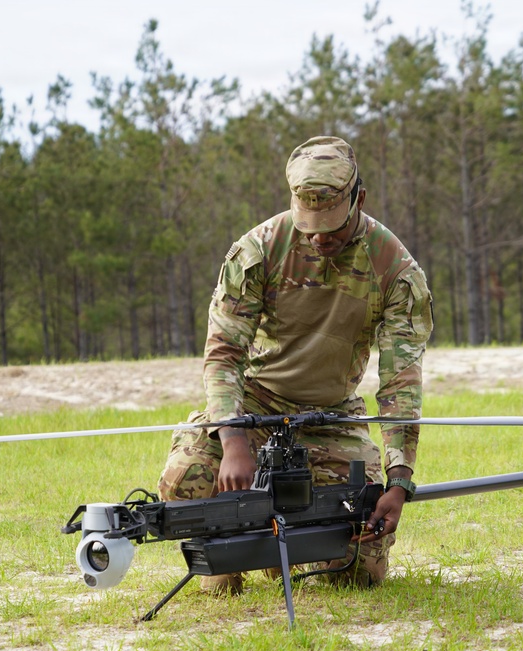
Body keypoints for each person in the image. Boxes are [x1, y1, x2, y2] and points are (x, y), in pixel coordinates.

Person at [158, 135, 433, 594]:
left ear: (358, 199)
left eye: (332, 225)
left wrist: (399, 481)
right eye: (309, 226)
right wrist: (233, 439)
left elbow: (399, 383)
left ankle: (293, 543)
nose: (320, 237)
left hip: (331, 416)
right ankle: (231, 550)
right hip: (254, 407)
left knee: (357, 570)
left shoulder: (395, 269)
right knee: (184, 483)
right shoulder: (259, 250)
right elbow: (224, 353)